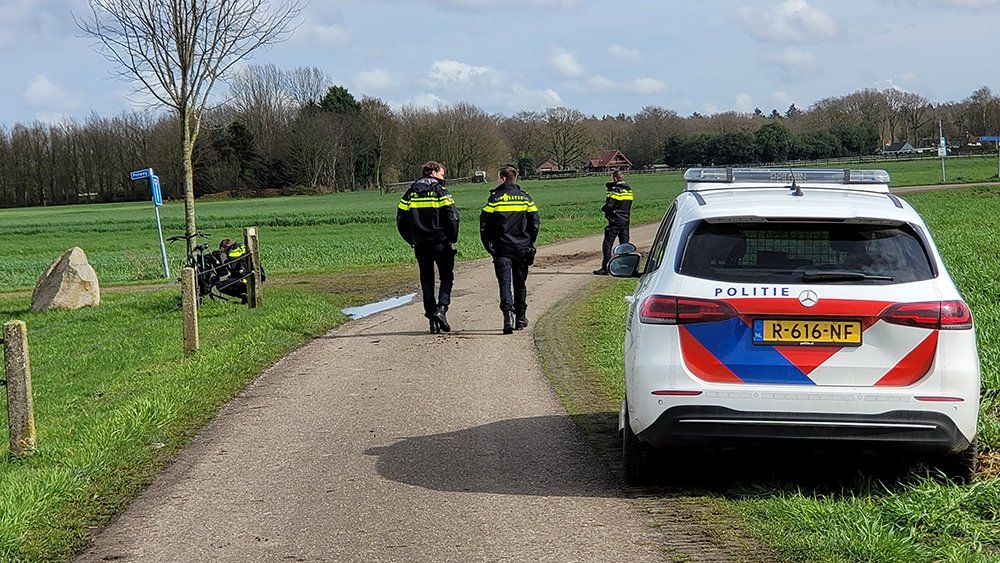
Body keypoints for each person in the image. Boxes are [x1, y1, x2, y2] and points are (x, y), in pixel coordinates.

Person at [396, 161, 460, 334]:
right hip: (440, 242)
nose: (442, 178)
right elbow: (453, 215)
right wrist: (452, 237)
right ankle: (441, 309)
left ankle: (432, 320)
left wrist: (411, 239)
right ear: (433, 172)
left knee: (427, 281)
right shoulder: (440, 191)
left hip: (421, 244)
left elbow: (400, 219)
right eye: (441, 174)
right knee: (446, 277)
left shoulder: (409, 193)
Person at [480, 166, 540, 334]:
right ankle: (521, 318)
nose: (497, 181)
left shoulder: (495, 199)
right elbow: (534, 223)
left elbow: (484, 225)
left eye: (498, 178)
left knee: (505, 284)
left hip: (501, 249)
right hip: (522, 247)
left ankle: (508, 317)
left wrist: (489, 246)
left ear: (504, 179)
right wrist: (530, 241)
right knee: (520, 283)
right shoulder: (525, 198)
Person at [594, 170, 633, 275]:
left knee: (607, 244)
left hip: (615, 220)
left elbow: (609, 206)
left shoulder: (615, 191)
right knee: (624, 245)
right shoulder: (628, 190)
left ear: (615, 178)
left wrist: (604, 209)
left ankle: (606, 267)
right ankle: (626, 267)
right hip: (626, 220)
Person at [216, 238, 265, 304]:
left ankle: (245, 296)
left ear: (224, 247)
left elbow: (234, 271)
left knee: (220, 286)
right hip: (259, 277)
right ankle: (246, 295)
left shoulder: (231, 253)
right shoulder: (242, 246)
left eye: (222, 251)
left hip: (245, 280)